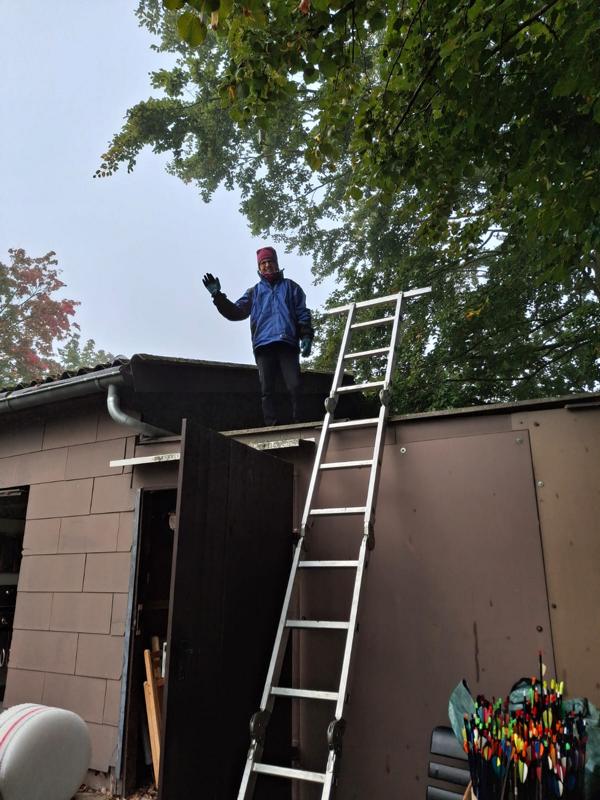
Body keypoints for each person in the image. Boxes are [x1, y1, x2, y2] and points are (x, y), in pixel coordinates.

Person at [202, 246, 314, 426]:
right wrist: (217, 296)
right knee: (267, 389)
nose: (267, 265)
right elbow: (236, 312)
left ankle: (300, 422)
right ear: (259, 267)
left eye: (270, 261)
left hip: (287, 342)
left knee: (294, 385)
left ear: (276, 264)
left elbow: (302, 312)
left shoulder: (291, 287)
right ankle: (272, 425)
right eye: (263, 263)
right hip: (263, 345)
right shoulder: (254, 292)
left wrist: (306, 335)